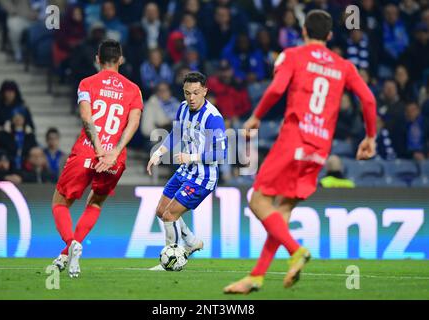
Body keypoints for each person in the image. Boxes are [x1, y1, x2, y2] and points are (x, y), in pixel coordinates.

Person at [224, 9, 377, 294]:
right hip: (320, 147)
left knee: (257, 200)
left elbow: (276, 89)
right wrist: (370, 136)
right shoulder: (344, 65)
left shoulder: (293, 55)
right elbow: (368, 99)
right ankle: (256, 276)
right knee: (282, 209)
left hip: (295, 138)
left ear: (304, 31)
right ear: (330, 36)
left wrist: (256, 117)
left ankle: (296, 250)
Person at [51, 39, 143, 278]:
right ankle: (68, 252)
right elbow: (134, 124)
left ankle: (71, 244)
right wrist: (113, 151)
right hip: (115, 158)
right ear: (120, 60)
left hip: (87, 151)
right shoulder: (134, 89)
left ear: (97, 59)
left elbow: (86, 118)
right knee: (95, 203)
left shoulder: (87, 83)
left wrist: (99, 148)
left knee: (60, 203)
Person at [146, 71, 227, 271]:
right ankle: (190, 241)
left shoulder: (213, 117)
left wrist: (191, 157)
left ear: (205, 91)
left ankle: (170, 262)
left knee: (169, 215)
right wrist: (159, 152)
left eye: (196, 93)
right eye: (187, 93)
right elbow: (175, 134)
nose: (191, 98)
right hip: (186, 170)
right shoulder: (182, 108)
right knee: (160, 211)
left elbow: (221, 154)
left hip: (203, 176)